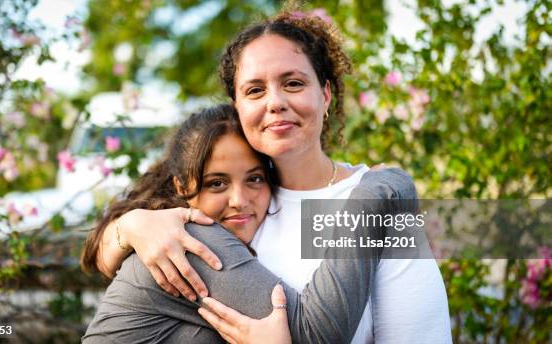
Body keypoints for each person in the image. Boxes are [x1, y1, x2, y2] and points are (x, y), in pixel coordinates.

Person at [90, 9, 451, 343]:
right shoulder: (224, 213)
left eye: (293, 83)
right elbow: (106, 258)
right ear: (238, 107)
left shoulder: (375, 205)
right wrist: (130, 226)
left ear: (325, 95)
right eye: (255, 90)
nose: (274, 102)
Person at [82, 104, 402, 343]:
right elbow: (320, 334)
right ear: (181, 187)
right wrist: (381, 190)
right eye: (217, 183)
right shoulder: (191, 242)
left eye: (254, 178)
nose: (239, 199)